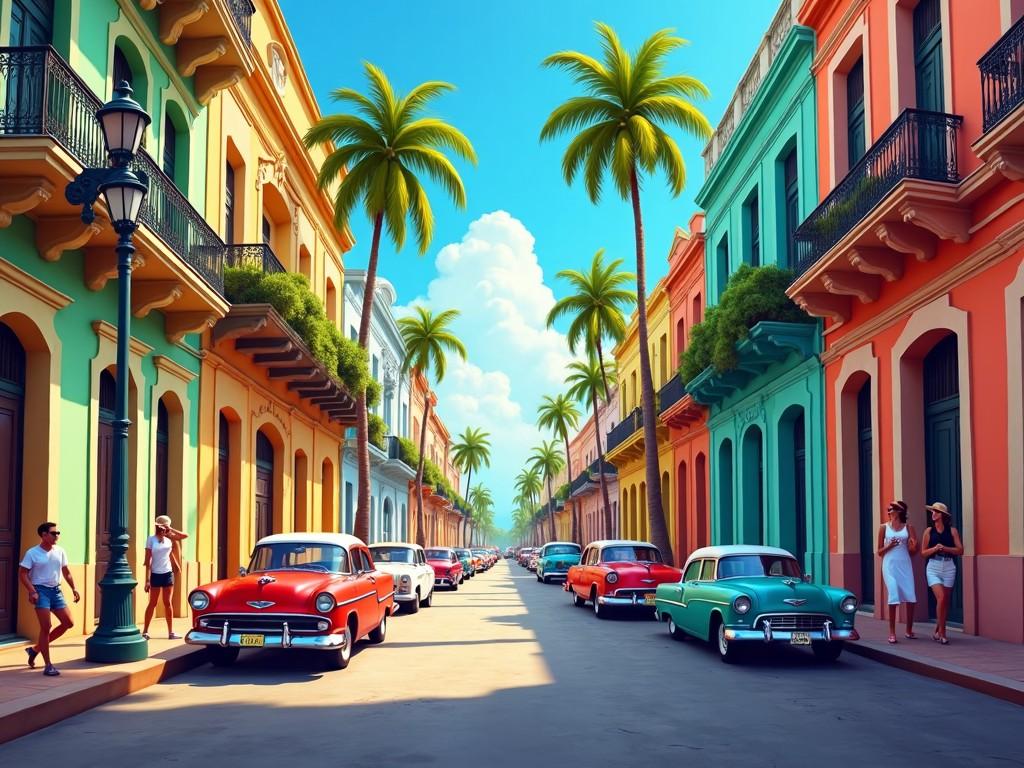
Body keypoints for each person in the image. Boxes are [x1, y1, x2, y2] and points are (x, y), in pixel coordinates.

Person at [18, 522, 80, 676]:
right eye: (54, 533)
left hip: (56, 591)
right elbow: (23, 573)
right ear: (44, 535)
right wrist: (32, 591)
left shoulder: (60, 551)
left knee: (68, 623)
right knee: (46, 627)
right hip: (40, 591)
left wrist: (74, 588)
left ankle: (35, 649)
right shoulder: (33, 553)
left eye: (58, 533)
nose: (57, 536)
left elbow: (66, 572)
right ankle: (48, 665)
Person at [921, 501, 962, 645]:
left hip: (949, 566)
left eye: (936, 512)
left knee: (945, 601)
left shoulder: (952, 531)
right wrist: (934, 549)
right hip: (933, 567)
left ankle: (938, 629)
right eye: (932, 511)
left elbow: (960, 550)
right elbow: (923, 553)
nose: (933, 514)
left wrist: (945, 548)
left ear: (943, 516)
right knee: (941, 597)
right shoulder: (928, 531)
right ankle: (943, 633)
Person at [877, 500, 917, 644]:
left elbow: (913, 551)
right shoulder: (883, 528)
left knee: (911, 597)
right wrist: (889, 545)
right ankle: (892, 632)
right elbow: (879, 552)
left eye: (891, 509)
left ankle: (909, 630)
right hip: (889, 566)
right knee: (893, 595)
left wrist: (914, 545)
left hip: (905, 565)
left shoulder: (909, 527)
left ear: (899, 511)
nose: (889, 511)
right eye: (888, 509)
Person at [142, 515, 188, 640]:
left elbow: (184, 536)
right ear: (157, 526)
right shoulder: (151, 539)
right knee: (153, 603)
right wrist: (147, 579)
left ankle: (171, 632)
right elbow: (148, 560)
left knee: (168, 603)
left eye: (166, 526)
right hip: (156, 574)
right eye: (162, 526)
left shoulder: (169, 539)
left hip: (167, 573)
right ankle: (145, 631)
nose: (164, 529)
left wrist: (171, 528)